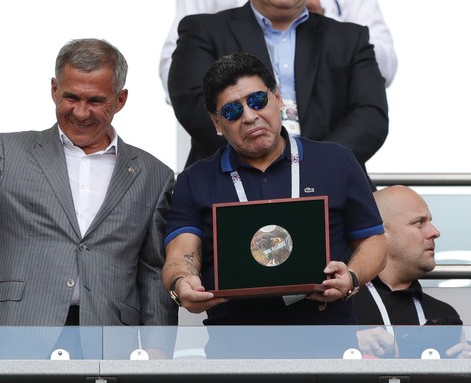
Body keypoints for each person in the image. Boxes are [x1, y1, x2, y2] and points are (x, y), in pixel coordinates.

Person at [0, 38, 177, 359]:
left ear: (120, 99)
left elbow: (154, 273)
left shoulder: (154, 175)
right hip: (17, 336)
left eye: (96, 100)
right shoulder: (9, 151)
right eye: (70, 97)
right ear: (53, 90)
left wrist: (158, 351)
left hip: (109, 346)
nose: (81, 111)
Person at [162, 52, 386, 358]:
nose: (250, 116)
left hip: (328, 342)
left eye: (257, 100)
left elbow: (373, 241)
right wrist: (182, 282)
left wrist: (351, 277)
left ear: (278, 98)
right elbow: (179, 253)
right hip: (236, 350)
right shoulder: (194, 180)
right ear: (217, 123)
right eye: (231, 111)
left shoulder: (336, 161)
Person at [167, 0, 388, 190]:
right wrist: (262, 158)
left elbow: (370, 114)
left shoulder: (350, 37)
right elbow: (192, 102)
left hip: (331, 180)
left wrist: (313, 162)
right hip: (228, 181)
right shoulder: (204, 30)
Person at [160, 0, 398, 100]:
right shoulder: (206, 26)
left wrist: (326, 28)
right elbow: (175, 75)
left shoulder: (342, 30)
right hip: (231, 148)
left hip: (328, 139)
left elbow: (384, 69)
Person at [353, 185, 471, 359]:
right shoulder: (338, 303)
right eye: (419, 223)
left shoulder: (443, 315)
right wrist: (346, 342)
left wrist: (462, 371)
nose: (435, 232)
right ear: (380, 232)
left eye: (430, 222)